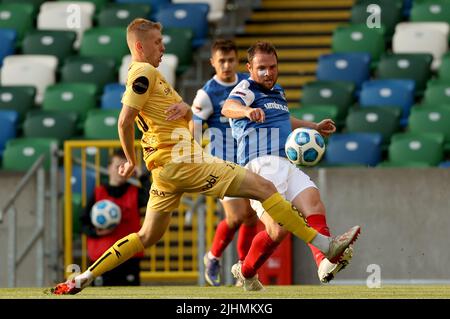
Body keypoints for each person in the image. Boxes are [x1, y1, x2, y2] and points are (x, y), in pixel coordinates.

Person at [51, 19, 360, 295]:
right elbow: (124, 119)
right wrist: (130, 160)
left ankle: (84, 278)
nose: (164, 46)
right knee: (264, 190)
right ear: (140, 46)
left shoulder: (156, 79)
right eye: (158, 42)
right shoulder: (143, 71)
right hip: (184, 162)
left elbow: (177, 119)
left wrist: (186, 112)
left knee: (147, 235)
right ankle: (324, 246)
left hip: (166, 171)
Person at [221, 41, 354, 291]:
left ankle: (323, 261)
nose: (268, 73)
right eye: (261, 68)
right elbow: (227, 107)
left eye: (272, 67)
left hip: (285, 161)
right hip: (259, 166)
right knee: (278, 230)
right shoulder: (246, 88)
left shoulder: (278, 92)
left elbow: (284, 118)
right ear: (249, 68)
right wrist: (247, 111)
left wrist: (313, 127)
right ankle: (247, 271)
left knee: (313, 201)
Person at [191, 39, 257, 287]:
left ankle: (242, 268)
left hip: (247, 158)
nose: (227, 65)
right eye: (222, 61)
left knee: (250, 218)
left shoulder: (245, 85)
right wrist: (197, 157)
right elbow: (194, 124)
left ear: (237, 60)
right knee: (238, 216)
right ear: (213, 63)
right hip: (221, 163)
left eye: (230, 60)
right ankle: (213, 256)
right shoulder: (207, 93)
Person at [79, 149, 150, 287]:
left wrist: (142, 177)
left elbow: (152, 198)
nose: (121, 170)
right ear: (109, 168)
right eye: (118, 166)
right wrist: (96, 232)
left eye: (125, 167)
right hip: (101, 258)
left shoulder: (135, 192)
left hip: (129, 258)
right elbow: (83, 222)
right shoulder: (98, 193)